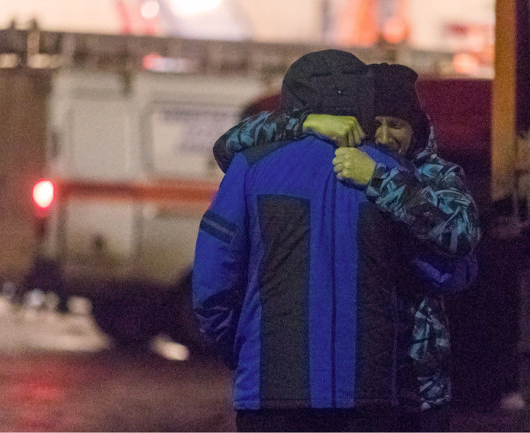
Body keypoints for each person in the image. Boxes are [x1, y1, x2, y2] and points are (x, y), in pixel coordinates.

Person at [193, 49, 471, 432]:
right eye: (377, 124)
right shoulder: (393, 172)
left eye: (397, 125)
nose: (385, 137)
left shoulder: (253, 166)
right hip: (372, 386)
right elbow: (450, 271)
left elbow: (213, 283)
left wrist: (239, 348)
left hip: (275, 387)